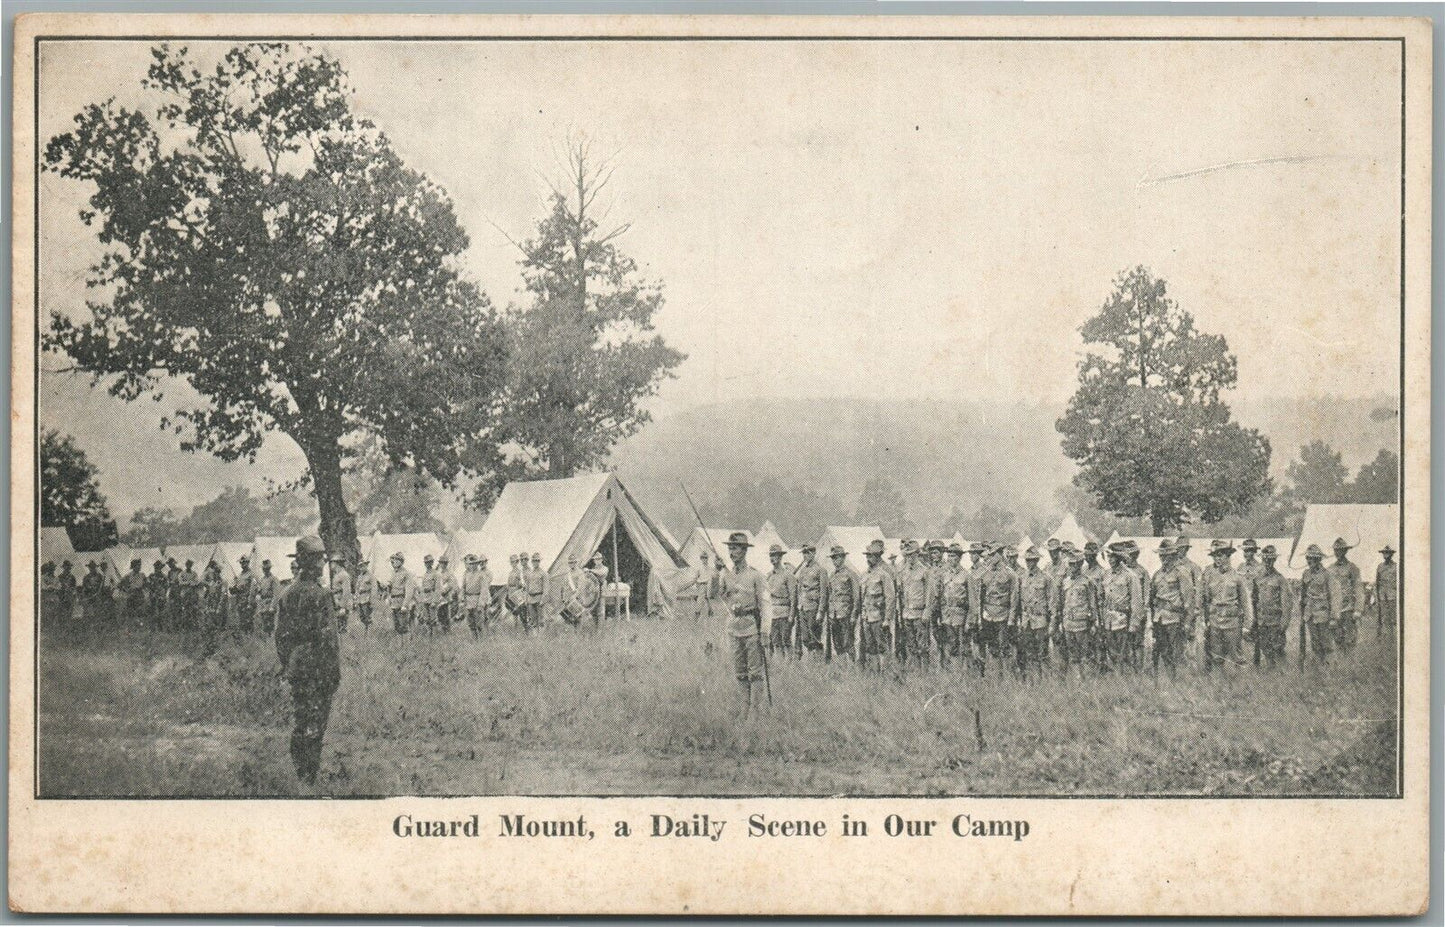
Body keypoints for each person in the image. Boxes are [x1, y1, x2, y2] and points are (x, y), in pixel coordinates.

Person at [275, 536, 341, 789]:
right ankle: (308, 776)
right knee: (317, 721)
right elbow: (329, 639)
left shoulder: (287, 594)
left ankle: (299, 771)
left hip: (296, 667)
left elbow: (280, 637)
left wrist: (289, 663)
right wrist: (333, 672)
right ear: (314, 563)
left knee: (302, 718)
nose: (324, 562)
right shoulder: (321, 595)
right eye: (321, 558)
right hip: (319, 668)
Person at [709, 532, 772, 720]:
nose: (731, 552)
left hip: (752, 628)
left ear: (744, 551)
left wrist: (765, 631)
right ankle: (744, 708)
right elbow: (713, 594)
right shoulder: (726, 575)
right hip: (734, 629)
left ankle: (755, 710)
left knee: (755, 672)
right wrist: (715, 571)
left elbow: (766, 604)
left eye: (735, 548)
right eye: (729, 548)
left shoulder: (756, 576)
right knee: (740, 672)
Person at [1199, 539, 1254, 673]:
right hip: (1214, 621)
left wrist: (1247, 625)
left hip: (1232, 622)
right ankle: (1218, 688)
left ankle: (1242, 688)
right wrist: (1203, 619)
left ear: (1228, 556)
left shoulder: (1237, 577)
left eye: (1220, 555)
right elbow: (1204, 600)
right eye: (1215, 556)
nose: (1217, 558)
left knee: (1237, 657)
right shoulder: (1210, 576)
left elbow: (1246, 603)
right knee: (1216, 656)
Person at [1148, 540, 1193, 677]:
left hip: (1174, 619)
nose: (1163, 558)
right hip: (1159, 618)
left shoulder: (1181, 573)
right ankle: (1169, 678)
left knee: (1177, 652)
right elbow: (1152, 597)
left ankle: (1180, 681)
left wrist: (1187, 622)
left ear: (1173, 556)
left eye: (1166, 555)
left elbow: (1188, 600)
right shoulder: (1157, 574)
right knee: (1163, 651)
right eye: (1161, 555)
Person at [1054, 549, 1099, 680]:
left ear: (1080, 564)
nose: (1072, 567)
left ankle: (1088, 679)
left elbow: (1092, 604)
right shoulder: (1065, 581)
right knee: (1073, 654)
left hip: (1082, 623)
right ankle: (1077, 678)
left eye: (1075, 564)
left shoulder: (1087, 581)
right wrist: (1061, 622)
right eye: (1070, 564)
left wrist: (1094, 623)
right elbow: (1062, 603)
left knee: (1085, 654)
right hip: (1068, 623)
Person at [972, 544, 1017, 672]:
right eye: (989, 555)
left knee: (1005, 647)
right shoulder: (985, 573)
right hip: (988, 615)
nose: (990, 557)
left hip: (1003, 615)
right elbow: (980, 595)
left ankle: (1007, 676)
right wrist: (980, 617)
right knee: (993, 647)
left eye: (992, 554)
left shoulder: (1010, 574)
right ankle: (996, 676)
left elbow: (1014, 598)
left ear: (1000, 554)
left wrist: (1011, 619)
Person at [1099, 543, 1143, 674]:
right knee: (1112, 653)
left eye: (1113, 557)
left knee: (1125, 653)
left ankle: (1127, 681)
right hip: (1109, 620)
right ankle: (1117, 682)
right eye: (1108, 557)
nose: (1110, 560)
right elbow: (1101, 597)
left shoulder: (1130, 576)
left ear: (1119, 558)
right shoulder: (1106, 575)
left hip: (1123, 619)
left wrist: (1134, 624)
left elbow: (1136, 601)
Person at [859, 539, 898, 671]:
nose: (868, 559)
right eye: (867, 556)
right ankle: (874, 672)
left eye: (871, 556)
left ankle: (886, 672)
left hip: (879, 617)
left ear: (877, 557)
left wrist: (887, 619)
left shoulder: (884, 575)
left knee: (882, 646)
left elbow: (890, 597)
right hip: (867, 616)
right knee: (870, 646)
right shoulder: (864, 575)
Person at [1297, 544, 1339, 664]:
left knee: (1326, 644)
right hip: (1310, 614)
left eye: (1312, 558)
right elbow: (1303, 595)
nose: (1309, 561)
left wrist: (1334, 618)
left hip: (1323, 614)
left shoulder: (1327, 574)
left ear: (1318, 559)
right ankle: (1319, 669)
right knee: (1315, 643)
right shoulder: (1306, 574)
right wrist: (1302, 614)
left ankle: (1330, 670)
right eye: (1308, 558)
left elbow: (1334, 597)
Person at [1252, 545, 1292, 670]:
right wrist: (1254, 619)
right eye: (1265, 559)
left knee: (1278, 649)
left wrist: (1284, 622)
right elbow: (1254, 600)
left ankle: (1284, 674)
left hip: (1275, 621)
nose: (1268, 562)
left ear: (1274, 560)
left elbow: (1287, 602)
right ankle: (1271, 672)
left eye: (1270, 559)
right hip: (1262, 620)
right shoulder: (1257, 579)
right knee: (1265, 649)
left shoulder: (1280, 579)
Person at [1017, 546, 1053, 681]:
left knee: (1043, 652)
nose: (1029, 563)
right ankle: (1033, 680)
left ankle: (1046, 681)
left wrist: (1052, 622)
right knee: (1029, 652)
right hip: (1027, 620)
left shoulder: (1046, 578)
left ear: (1037, 560)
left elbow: (1051, 601)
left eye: (1032, 560)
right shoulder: (1022, 578)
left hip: (1040, 620)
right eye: (1027, 560)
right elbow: (1020, 600)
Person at [898, 540, 934, 668]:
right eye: (907, 555)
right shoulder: (904, 572)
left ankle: (924, 672)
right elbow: (901, 593)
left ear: (918, 554)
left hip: (920, 614)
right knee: (911, 645)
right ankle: (916, 671)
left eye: (912, 554)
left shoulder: (925, 571)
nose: (909, 557)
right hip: (907, 614)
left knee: (922, 645)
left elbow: (930, 594)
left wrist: (927, 612)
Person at [938, 542, 973, 673]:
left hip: (961, 615)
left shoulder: (966, 575)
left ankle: (968, 671)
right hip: (948, 615)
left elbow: (972, 601)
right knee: (951, 644)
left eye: (952, 556)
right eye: (949, 556)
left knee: (964, 645)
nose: (949, 559)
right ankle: (955, 672)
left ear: (958, 558)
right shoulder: (945, 575)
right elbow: (942, 596)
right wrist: (942, 614)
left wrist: (969, 620)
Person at [1327, 537, 1364, 654]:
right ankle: (1339, 666)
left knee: (1349, 639)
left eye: (1341, 550)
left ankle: (1350, 665)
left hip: (1348, 608)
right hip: (1334, 610)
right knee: (1336, 638)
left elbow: (1358, 588)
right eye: (1336, 550)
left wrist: (1358, 609)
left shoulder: (1352, 568)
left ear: (1345, 551)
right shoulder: (1329, 569)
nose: (1338, 553)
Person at [824, 544, 859, 661]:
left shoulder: (850, 574)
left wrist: (854, 614)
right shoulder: (832, 575)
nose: (835, 560)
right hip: (834, 614)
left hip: (845, 613)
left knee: (848, 642)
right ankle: (842, 667)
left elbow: (856, 597)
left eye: (837, 557)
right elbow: (830, 595)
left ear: (843, 558)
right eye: (833, 558)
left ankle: (853, 666)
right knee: (837, 643)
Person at [793, 543, 827, 657]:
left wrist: (820, 611)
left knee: (814, 636)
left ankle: (817, 660)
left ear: (814, 553)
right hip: (803, 606)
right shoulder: (802, 571)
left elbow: (823, 592)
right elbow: (800, 589)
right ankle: (812, 657)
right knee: (805, 637)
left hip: (813, 607)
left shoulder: (820, 570)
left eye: (808, 553)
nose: (805, 555)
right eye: (804, 553)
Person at [765, 544, 797, 656]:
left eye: (775, 555)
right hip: (773, 614)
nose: (772, 558)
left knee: (786, 641)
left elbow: (793, 597)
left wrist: (792, 616)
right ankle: (780, 666)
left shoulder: (788, 575)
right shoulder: (769, 576)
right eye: (771, 555)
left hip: (785, 613)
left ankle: (790, 666)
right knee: (775, 642)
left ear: (780, 557)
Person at [560, 554, 599, 627]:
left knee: (581, 617)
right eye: (570, 562)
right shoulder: (567, 574)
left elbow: (581, 587)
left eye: (573, 562)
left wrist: (575, 596)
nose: (571, 564)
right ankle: (576, 635)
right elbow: (565, 587)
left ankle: (586, 632)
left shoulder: (580, 573)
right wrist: (565, 598)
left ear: (576, 563)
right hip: (569, 599)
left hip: (578, 599)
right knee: (571, 619)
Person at [462, 554, 493, 636]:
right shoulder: (466, 574)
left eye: (474, 563)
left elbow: (484, 590)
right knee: (470, 622)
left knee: (479, 622)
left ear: (477, 564)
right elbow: (463, 587)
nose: (472, 565)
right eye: (470, 564)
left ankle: (481, 641)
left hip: (477, 599)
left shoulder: (481, 575)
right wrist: (462, 599)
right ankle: (474, 639)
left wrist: (481, 604)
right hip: (468, 600)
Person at [387, 552, 418, 634]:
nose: (395, 562)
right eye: (394, 560)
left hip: (402, 600)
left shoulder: (406, 574)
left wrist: (405, 605)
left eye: (397, 560)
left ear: (402, 562)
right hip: (394, 601)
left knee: (403, 625)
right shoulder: (393, 573)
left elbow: (409, 591)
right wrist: (389, 597)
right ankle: (399, 645)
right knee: (396, 625)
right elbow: (390, 587)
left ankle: (406, 645)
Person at [253, 559, 281, 636]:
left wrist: (272, 606)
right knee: (263, 626)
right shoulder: (262, 580)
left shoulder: (274, 579)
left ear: (269, 568)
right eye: (264, 568)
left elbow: (276, 594)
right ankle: (265, 644)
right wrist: (258, 594)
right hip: (262, 605)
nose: (265, 570)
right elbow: (260, 591)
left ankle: (270, 643)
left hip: (270, 605)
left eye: (267, 568)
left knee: (270, 627)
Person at [1375, 544, 1398, 635]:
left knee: (1393, 617)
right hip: (1382, 596)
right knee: (1383, 617)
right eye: (1384, 553)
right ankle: (1383, 636)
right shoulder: (1380, 566)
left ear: (1391, 554)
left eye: (1388, 553)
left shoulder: (1396, 566)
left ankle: (1394, 635)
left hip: (1392, 595)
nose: (1386, 555)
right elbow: (1377, 581)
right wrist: (1377, 596)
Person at [231, 554, 257, 633]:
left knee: (248, 621)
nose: (242, 564)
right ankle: (244, 639)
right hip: (240, 601)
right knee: (242, 621)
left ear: (248, 563)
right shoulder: (240, 575)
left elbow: (254, 589)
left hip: (248, 601)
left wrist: (250, 602)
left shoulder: (251, 574)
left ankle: (251, 640)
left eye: (244, 562)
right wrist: (233, 588)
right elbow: (237, 589)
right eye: (241, 563)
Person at [523, 553, 549, 630]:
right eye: (534, 561)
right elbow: (527, 587)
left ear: (539, 562)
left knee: (541, 619)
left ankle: (542, 638)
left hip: (539, 597)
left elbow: (546, 588)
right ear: (532, 562)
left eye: (537, 561)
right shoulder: (530, 573)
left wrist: (543, 599)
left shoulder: (543, 573)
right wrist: (526, 599)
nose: (535, 562)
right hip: (531, 598)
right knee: (533, 619)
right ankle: (535, 637)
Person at [118, 558, 147, 626]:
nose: (139, 567)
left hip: (139, 595)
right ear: (134, 566)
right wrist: (126, 590)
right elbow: (119, 584)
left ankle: (140, 625)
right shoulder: (128, 576)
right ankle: (132, 625)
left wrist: (144, 589)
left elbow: (146, 584)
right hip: (131, 595)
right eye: (138, 565)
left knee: (140, 611)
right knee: (131, 611)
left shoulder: (142, 575)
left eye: (140, 565)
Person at [329, 553, 353, 634]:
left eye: (332, 563)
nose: (331, 565)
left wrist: (343, 606)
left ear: (337, 563)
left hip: (341, 603)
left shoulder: (344, 575)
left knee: (342, 629)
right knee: (337, 627)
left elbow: (347, 591)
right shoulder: (336, 574)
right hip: (336, 602)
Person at [201, 561, 227, 632]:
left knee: (218, 615)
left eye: (217, 572)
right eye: (215, 572)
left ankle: (218, 628)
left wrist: (220, 605)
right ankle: (209, 628)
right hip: (212, 601)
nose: (216, 573)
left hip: (219, 602)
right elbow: (204, 583)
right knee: (209, 613)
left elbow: (223, 594)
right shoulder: (212, 583)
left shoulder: (222, 582)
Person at [436, 555, 459, 632]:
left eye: (444, 563)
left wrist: (445, 590)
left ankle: (447, 630)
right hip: (439, 596)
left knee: (446, 613)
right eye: (441, 563)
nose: (442, 564)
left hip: (446, 596)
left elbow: (451, 583)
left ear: (446, 564)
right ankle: (442, 629)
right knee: (439, 614)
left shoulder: (449, 573)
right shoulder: (438, 573)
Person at [177, 560, 202, 631]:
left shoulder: (194, 573)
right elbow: (181, 582)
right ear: (186, 565)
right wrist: (189, 583)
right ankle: (185, 626)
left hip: (193, 593)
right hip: (185, 594)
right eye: (187, 564)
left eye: (190, 565)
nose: (189, 566)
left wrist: (191, 583)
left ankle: (194, 626)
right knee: (185, 609)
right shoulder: (182, 573)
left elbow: (197, 582)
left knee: (194, 609)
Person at [80, 560, 107, 624]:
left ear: (95, 568)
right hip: (89, 597)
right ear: (89, 568)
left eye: (93, 567)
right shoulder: (86, 577)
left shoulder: (100, 576)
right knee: (88, 615)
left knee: (98, 614)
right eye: (91, 567)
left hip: (98, 597)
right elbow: (84, 588)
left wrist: (98, 593)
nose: (92, 569)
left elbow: (102, 588)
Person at [145, 559, 169, 631]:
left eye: (159, 567)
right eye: (156, 567)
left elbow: (166, 586)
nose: (157, 569)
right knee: (153, 611)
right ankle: (152, 627)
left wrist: (163, 594)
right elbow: (148, 585)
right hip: (153, 595)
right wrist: (153, 591)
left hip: (161, 595)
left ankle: (160, 626)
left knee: (161, 611)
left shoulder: (164, 576)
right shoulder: (151, 576)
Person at [418, 554, 439, 632]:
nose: (427, 564)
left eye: (429, 562)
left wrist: (434, 601)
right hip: (425, 598)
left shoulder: (436, 574)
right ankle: (429, 635)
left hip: (432, 597)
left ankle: (435, 637)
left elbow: (438, 588)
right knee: (426, 618)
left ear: (432, 563)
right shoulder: (425, 574)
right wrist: (421, 599)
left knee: (433, 619)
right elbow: (423, 587)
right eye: (426, 562)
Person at [353, 559, 374, 633]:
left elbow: (374, 588)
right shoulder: (359, 576)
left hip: (366, 598)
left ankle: (369, 632)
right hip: (360, 598)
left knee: (367, 616)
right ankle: (365, 630)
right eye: (360, 566)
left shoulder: (370, 576)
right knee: (361, 616)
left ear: (366, 566)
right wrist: (355, 597)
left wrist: (372, 600)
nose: (362, 568)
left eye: (363, 566)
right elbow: (357, 587)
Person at [56, 560, 78, 625]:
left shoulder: (72, 577)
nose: (68, 569)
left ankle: (68, 627)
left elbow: (74, 587)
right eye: (66, 567)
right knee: (61, 612)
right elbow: (57, 587)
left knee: (69, 612)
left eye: (69, 567)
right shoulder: (60, 577)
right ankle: (61, 626)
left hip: (69, 597)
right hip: (61, 597)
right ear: (64, 568)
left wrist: (72, 592)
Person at [40, 562, 60, 627]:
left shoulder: (56, 578)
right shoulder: (43, 577)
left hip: (54, 597)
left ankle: (53, 626)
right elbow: (43, 586)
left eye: (53, 568)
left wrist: (52, 587)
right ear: (48, 569)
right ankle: (46, 625)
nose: (51, 570)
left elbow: (59, 587)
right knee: (46, 612)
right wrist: (50, 587)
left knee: (55, 611)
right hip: (46, 596)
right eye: (50, 568)